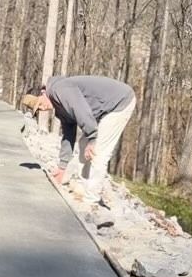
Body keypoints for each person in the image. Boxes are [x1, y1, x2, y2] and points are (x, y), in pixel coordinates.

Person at [21, 75, 136, 204]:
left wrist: (92, 138)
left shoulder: (61, 90)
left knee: (98, 151)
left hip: (120, 101)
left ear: (43, 93)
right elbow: (69, 133)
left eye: (40, 103)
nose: (43, 108)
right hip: (105, 107)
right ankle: (83, 186)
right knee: (83, 143)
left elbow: (81, 110)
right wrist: (62, 167)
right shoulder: (58, 105)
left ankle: (91, 199)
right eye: (39, 109)